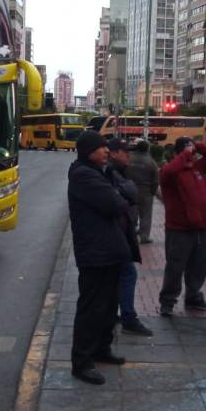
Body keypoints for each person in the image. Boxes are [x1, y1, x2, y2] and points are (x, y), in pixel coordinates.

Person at [68, 130, 132, 385]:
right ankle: (81, 362)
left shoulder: (98, 172)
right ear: (88, 151)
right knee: (91, 308)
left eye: (107, 147)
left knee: (108, 306)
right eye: (101, 147)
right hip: (95, 253)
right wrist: (119, 196)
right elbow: (116, 204)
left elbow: (123, 197)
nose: (107, 151)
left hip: (108, 251)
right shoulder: (84, 175)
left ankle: (101, 349)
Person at [158, 136, 206, 317]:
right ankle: (168, 302)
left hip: (200, 227)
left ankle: (193, 296)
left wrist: (198, 145)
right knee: (175, 267)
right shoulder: (170, 171)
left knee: (199, 266)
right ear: (179, 153)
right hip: (179, 229)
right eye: (187, 150)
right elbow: (169, 171)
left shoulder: (196, 168)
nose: (191, 154)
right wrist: (184, 154)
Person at [106, 139, 152, 337]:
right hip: (115, 234)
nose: (129, 156)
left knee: (117, 275)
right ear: (114, 153)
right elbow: (127, 195)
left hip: (120, 232)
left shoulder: (120, 170)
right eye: (125, 152)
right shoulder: (110, 172)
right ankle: (128, 318)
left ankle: (114, 314)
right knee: (127, 274)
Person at [127, 139, 160, 244]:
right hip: (146, 192)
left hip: (130, 190)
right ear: (147, 149)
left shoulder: (129, 159)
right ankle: (144, 236)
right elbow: (155, 180)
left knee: (132, 213)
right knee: (145, 215)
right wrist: (153, 192)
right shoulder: (151, 162)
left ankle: (130, 233)